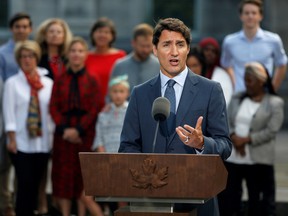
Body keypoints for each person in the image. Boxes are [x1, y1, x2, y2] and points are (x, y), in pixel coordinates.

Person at [118, 18, 232, 216]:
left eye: (180, 44)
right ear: (155, 49)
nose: (174, 51)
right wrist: (145, 173)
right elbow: (128, 145)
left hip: (197, 200)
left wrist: (202, 144)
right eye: (166, 44)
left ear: (188, 49)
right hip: (150, 201)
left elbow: (225, 144)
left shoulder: (210, 90)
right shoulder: (140, 93)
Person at [218, 62, 284, 216]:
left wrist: (247, 140)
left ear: (261, 81)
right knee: (230, 198)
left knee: (258, 200)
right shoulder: (237, 98)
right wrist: (234, 137)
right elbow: (226, 120)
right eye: (245, 79)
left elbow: (271, 130)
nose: (246, 84)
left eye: (250, 80)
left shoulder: (274, 103)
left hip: (258, 160)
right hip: (234, 158)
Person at [49, 37, 103, 216]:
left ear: (85, 54)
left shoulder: (92, 79)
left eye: (80, 51)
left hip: (85, 134)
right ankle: (64, 213)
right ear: (68, 54)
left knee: (82, 176)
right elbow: (53, 106)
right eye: (73, 51)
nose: (76, 54)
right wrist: (65, 129)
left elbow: (96, 107)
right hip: (63, 134)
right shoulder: (60, 79)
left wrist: (78, 130)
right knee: (63, 176)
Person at [3, 40, 53, 216]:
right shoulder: (12, 83)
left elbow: (51, 113)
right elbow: (9, 112)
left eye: (31, 56)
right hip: (21, 142)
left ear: (37, 58)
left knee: (36, 184)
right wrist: (12, 139)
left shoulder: (47, 83)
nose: (27, 60)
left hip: (42, 142)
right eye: (23, 56)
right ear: (18, 59)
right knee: (24, 183)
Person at [0, 13, 32, 216]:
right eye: (17, 26)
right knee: (4, 164)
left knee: (26, 164)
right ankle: (6, 204)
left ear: (30, 29)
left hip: (30, 114)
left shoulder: (34, 50)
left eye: (25, 26)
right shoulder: (2, 53)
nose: (21, 30)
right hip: (6, 113)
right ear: (12, 29)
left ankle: (26, 203)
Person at [221, 0, 287, 93]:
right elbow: (226, 64)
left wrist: (273, 89)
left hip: (264, 95)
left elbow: (282, 64)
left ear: (261, 16)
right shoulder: (230, 41)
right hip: (239, 95)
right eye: (247, 13)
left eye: (254, 13)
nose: (250, 16)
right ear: (241, 16)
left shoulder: (273, 40)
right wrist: (234, 84)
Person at [92, 75, 130, 215]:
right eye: (115, 91)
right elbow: (99, 138)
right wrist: (104, 158)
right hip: (107, 161)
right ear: (109, 93)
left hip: (124, 162)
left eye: (121, 91)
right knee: (86, 195)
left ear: (127, 93)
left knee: (121, 197)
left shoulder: (131, 111)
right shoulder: (104, 114)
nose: (118, 95)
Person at [86, 17, 126, 110]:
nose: (102, 35)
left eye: (106, 32)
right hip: (89, 107)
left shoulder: (120, 56)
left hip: (114, 107)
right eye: (99, 31)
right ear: (93, 34)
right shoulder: (86, 57)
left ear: (112, 36)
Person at [110, 23, 159, 92]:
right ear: (133, 43)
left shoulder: (160, 66)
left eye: (148, 46)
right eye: (142, 46)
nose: (145, 50)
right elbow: (110, 95)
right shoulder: (119, 66)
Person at [199, 37, 233, 106]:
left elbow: (225, 101)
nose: (210, 53)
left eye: (213, 51)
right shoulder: (191, 70)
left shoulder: (222, 75)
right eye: (206, 49)